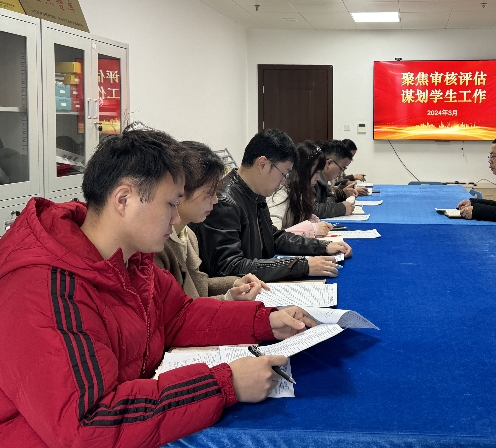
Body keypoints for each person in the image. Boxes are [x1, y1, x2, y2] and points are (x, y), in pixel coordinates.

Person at [0, 124, 316, 447]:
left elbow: (179, 316)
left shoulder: (131, 260)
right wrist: (225, 383)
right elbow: (90, 423)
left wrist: (266, 321)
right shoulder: (42, 288)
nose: (177, 219)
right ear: (124, 200)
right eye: (170, 204)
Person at [191, 129, 352, 283]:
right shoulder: (224, 201)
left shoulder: (254, 192)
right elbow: (229, 267)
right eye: (284, 174)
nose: (283, 181)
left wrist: (323, 247)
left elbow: (273, 238)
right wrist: (302, 265)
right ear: (263, 164)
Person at [155, 140, 268, 300]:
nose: (215, 200)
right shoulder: (157, 245)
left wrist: (235, 283)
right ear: (180, 191)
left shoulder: (188, 235)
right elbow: (177, 309)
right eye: (209, 193)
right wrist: (227, 299)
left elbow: (197, 286)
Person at [267, 140, 333, 238]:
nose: (318, 178)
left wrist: (307, 222)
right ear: (303, 170)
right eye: (316, 172)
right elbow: (272, 236)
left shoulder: (300, 192)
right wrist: (311, 229)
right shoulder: (281, 194)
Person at [314, 140, 356, 218]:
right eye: (342, 168)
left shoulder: (323, 180)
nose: (341, 172)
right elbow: (313, 210)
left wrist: (341, 195)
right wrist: (342, 208)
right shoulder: (311, 179)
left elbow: (327, 201)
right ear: (329, 163)